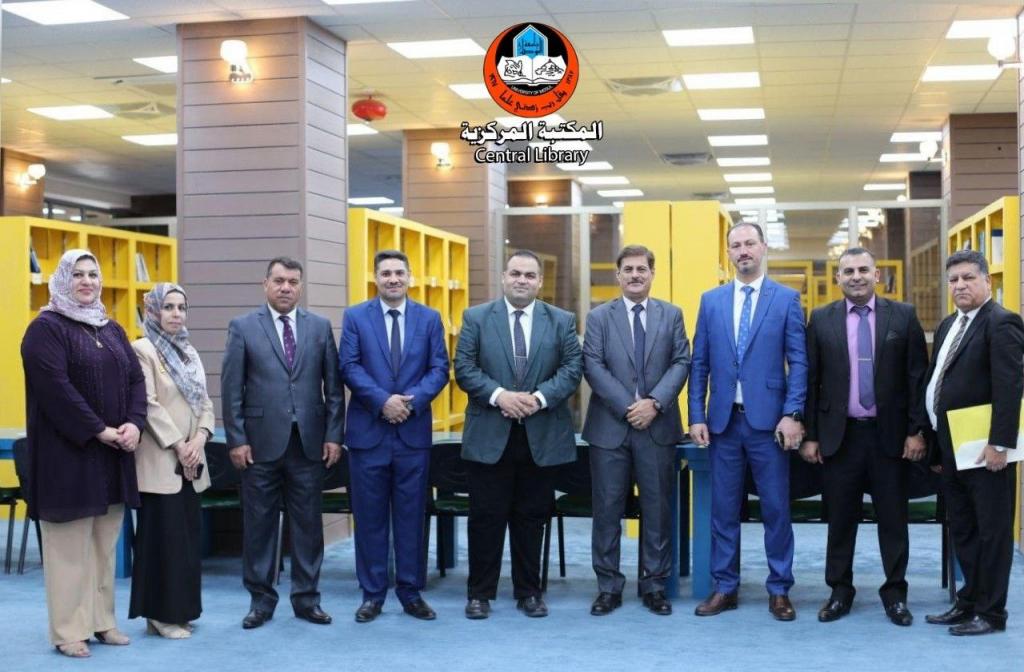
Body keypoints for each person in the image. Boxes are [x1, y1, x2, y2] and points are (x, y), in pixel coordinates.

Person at [20, 249, 146, 658]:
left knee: (103, 546)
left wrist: (134, 423)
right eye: (78, 274)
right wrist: (99, 429)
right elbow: (56, 389)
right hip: (67, 457)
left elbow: (136, 380)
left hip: (112, 456)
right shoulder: (45, 329)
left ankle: (101, 621)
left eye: (93, 274)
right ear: (62, 279)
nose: (87, 281)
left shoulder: (111, 329)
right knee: (68, 549)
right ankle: (69, 630)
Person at [800, 248, 928, 626]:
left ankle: (895, 595)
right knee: (840, 520)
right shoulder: (820, 319)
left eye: (863, 270)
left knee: (893, 519)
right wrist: (810, 435)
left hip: (890, 438)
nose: (856, 276)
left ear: (877, 275)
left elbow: (917, 378)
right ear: (837, 278)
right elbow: (811, 381)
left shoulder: (903, 316)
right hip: (840, 438)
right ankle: (840, 592)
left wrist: (916, 431)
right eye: (848, 271)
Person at [688, 222, 807, 621]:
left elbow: (799, 362)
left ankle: (780, 589)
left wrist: (792, 413)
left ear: (763, 247)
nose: (743, 251)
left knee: (776, 510)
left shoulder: (786, 299)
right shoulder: (711, 301)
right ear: (728, 252)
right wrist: (696, 414)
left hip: (769, 426)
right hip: (723, 424)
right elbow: (699, 362)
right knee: (723, 511)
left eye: (749, 243)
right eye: (736, 245)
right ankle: (725, 587)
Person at [454, 250, 583, 619]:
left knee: (532, 517)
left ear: (540, 282)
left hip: (540, 437)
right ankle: (479, 595)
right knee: (485, 518)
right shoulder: (476, 318)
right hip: (489, 435)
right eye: (515, 273)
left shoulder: (561, 321)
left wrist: (537, 399)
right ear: (503, 277)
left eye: (529, 275)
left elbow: (572, 369)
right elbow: (464, 368)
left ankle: (529, 593)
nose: (521, 280)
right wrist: (501, 396)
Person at [221, 257, 345, 629]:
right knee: (259, 525)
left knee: (308, 525)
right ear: (266, 284)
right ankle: (261, 601)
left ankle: (307, 600)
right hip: (258, 446)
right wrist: (237, 439)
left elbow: (333, 389)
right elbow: (231, 388)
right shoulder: (243, 327)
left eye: (292, 281)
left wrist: (333, 435)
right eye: (279, 281)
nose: (286, 287)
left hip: (308, 445)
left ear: (300, 286)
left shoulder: (319, 327)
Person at [339, 249, 450, 623]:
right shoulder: (356, 317)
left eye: (399, 272)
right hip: (368, 434)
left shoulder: (429, 318)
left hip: (411, 434)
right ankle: (372, 594)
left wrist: (409, 403)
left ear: (409, 277)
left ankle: (410, 592)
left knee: (411, 518)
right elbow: (349, 366)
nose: (393, 279)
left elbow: (439, 368)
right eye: (385, 273)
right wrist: (382, 401)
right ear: (376, 278)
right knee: (369, 518)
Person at [581, 244, 690, 616]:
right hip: (609, 428)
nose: (635, 275)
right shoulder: (599, 317)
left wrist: (654, 403)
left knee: (657, 510)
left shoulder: (671, 315)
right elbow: (593, 365)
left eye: (642, 269)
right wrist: (631, 406)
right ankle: (608, 587)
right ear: (618, 275)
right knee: (607, 510)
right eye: (627, 269)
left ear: (652, 273)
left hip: (657, 427)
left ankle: (654, 586)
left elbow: (681, 361)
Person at [923, 249, 1023, 636]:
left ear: (987, 281)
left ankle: (991, 613)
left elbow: (1009, 387)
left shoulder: (1002, 322)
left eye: (968, 278)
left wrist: (1000, 444)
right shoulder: (950, 324)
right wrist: (936, 447)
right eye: (953, 280)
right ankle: (968, 602)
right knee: (963, 528)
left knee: (992, 532)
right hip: (952, 447)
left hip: (986, 450)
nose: (960, 285)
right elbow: (940, 382)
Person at [129, 283, 215, 639]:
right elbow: (148, 405)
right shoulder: (143, 350)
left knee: (185, 542)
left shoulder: (188, 351)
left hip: (192, 461)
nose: (176, 314)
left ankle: (181, 611)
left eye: (181, 307)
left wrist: (200, 438)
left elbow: (205, 402)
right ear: (153, 310)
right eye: (168, 307)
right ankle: (161, 616)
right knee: (161, 541)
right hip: (162, 459)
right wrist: (180, 445)